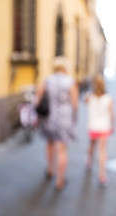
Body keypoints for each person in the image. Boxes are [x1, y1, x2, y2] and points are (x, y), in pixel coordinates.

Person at [36, 57, 79, 190]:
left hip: (48, 118)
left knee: (49, 143)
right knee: (61, 149)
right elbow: (75, 103)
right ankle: (59, 180)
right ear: (65, 68)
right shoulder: (70, 81)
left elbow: (38, 100)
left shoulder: (47, 80)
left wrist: (37, 117)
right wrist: (74, 117)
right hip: (64, 119)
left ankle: (50, 170)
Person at [85, 76, 114, 186]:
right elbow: (112, 114)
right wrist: (113, 124)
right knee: (102, 151)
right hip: (104, 127)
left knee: (92, 145)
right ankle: (102, 175)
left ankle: (89, 160)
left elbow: (84, 101)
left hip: (93, 126)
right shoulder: (108, 98)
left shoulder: (90, 96)